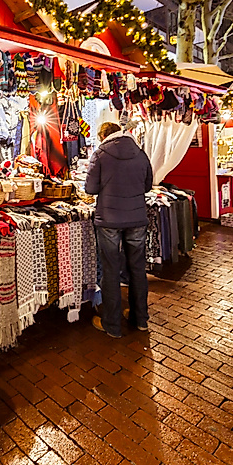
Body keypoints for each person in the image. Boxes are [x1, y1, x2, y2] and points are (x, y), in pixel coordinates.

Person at [85, 122, 153, 338]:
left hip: (109, 221)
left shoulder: (100, 154)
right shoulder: (140, 153)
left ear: (103, 135)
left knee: (111, 270)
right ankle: (140, 319)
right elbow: (148, 185)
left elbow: (90, 188)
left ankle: (112, 325)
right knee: (137, 269)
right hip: (136, 219)